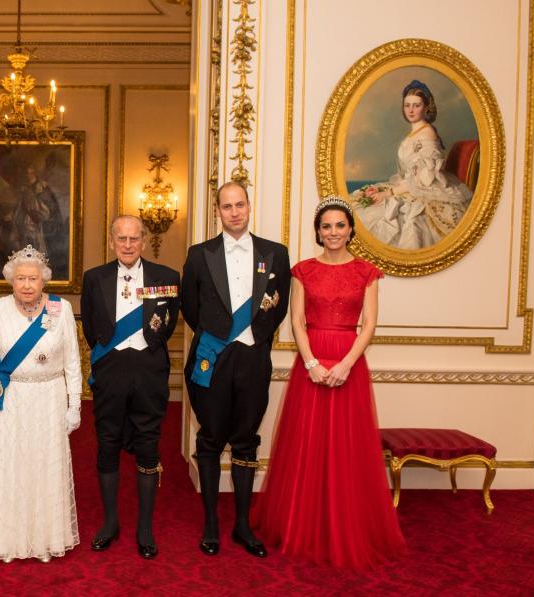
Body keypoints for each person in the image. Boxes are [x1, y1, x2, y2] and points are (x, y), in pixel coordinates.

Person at [251, 197, 407, 567]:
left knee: (347, 447)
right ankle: (302, 524)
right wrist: (311, 363)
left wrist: (346, 364)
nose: (333, 232)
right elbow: (297, 322)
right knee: (308, 443)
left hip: (349, 362)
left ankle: (346, 525)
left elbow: (369, 324)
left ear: (351, 228)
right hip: (313, 362)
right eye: (326, 226)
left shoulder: (367, 272)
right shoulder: (303, 270)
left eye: (339, 225)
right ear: (318, 232)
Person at [181, 181, 291, 558]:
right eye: (226, 206)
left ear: (249, 205)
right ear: (218, 211)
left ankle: (242, 524)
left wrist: (253, 338)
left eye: (239, 204)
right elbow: (190, 307)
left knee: (246, 440)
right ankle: (211, 522)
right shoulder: (199, 254)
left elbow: (279, 307)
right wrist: (219, 337)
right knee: (210, 438)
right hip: (213, 356)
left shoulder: (275, 254)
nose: (234, 212)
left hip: (253, 357)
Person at [80, 215, 180, 559]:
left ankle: (145, 528)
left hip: (149, 371)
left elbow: (166, 327)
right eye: (121, 238)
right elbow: (91, 327)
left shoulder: (167, 278)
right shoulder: (94, 279)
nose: (127, 244)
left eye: (134, 238)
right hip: (110, 373)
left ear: (143, 240)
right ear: (111, 241)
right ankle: (110, 523)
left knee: (149, 447)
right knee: (106, 444)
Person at [0, 245, 83, 563]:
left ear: (43, 281)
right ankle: (9, 539)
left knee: (46, 464)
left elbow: (73, 362)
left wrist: (74, 404)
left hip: (49, 397)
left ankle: (46, 539)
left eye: (32, 279)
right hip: (10, 400)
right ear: (11, 281)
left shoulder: (59, 309)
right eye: (20, 278)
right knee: (10, 466)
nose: (26, 284)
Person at [351, 79, 473, 249]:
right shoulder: (416, 131)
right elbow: (409, 174)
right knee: (359, 207)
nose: (410, 110)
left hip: (425, 191)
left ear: (426, 107)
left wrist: (390, 193)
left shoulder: (427, 134)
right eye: (407, 105)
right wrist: (386, 190)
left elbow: (422, 179)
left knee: (384, 219)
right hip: (409, 186)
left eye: (416, 105)